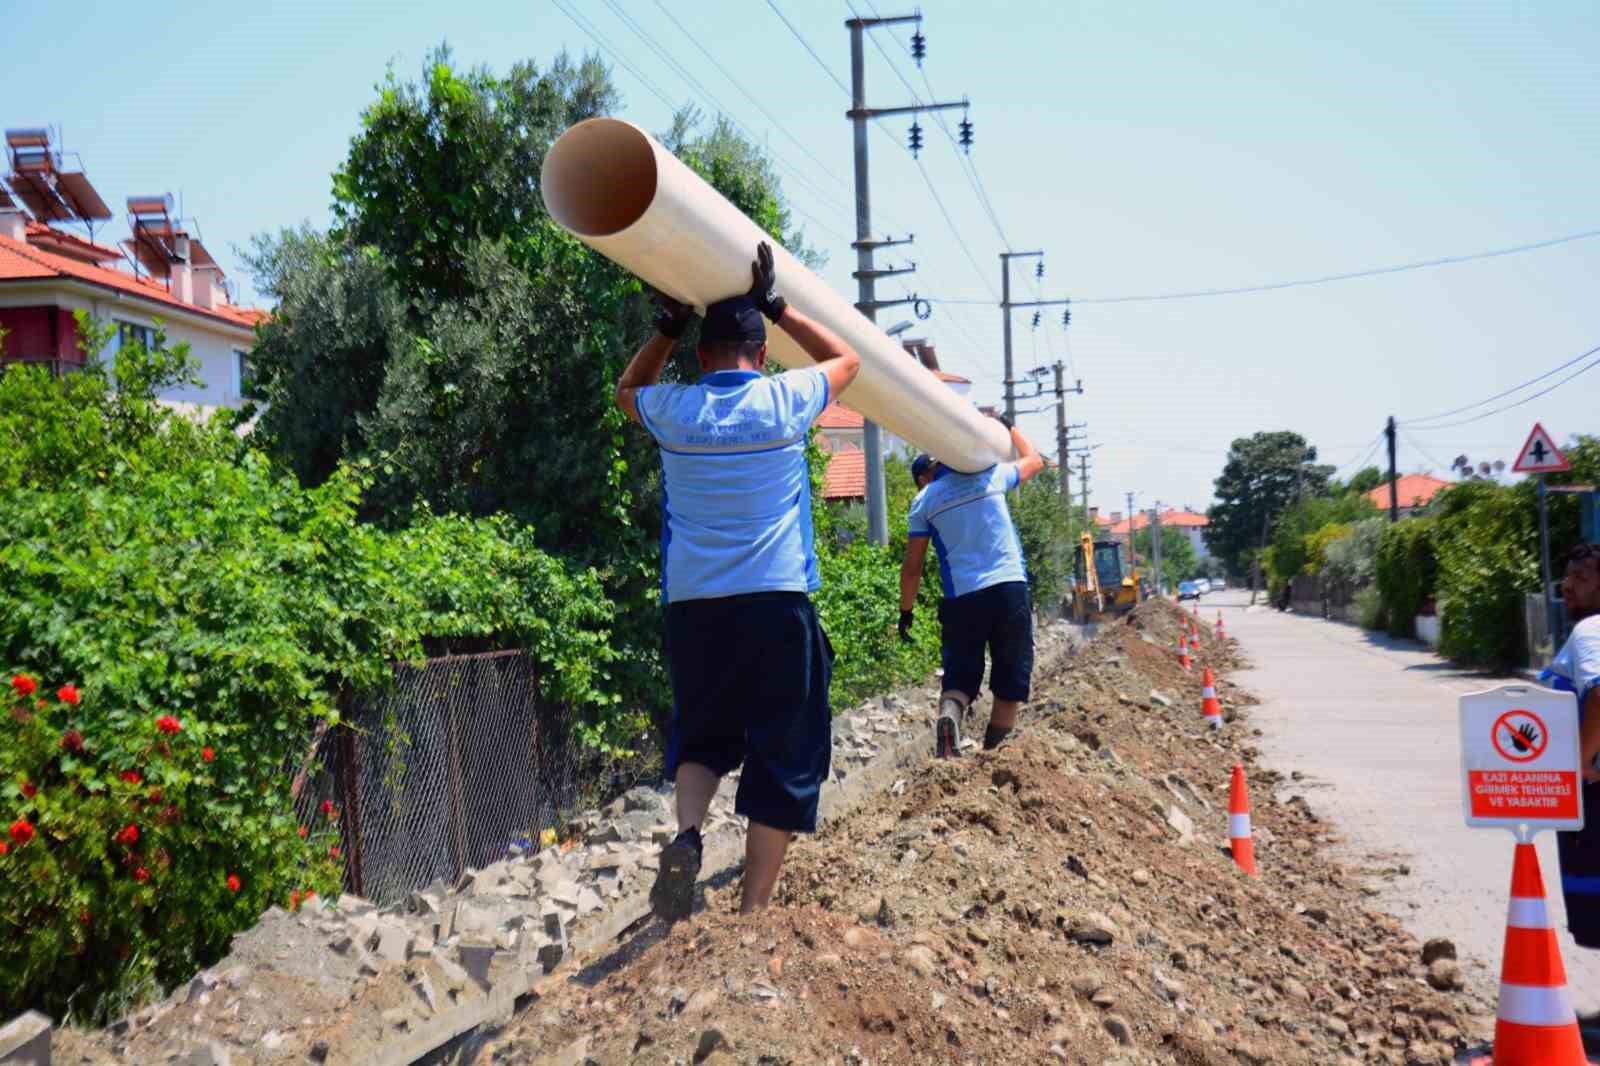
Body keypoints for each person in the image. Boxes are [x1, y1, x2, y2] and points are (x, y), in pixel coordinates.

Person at [614, 241, 861, 921]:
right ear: (760, 355)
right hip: (775, 601)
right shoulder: (784, 402)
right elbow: (848, 360)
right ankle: (752, 909)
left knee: (702, 734)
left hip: (694, 607)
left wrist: (665, 325)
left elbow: (625, 392)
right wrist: (780, 304)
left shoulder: (676, 412)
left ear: (700, 358)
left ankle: (688, 835)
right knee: (784, 749)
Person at [897, 421, 1046, 758]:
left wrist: (906, 611)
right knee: (1010, 677)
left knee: (960, 675)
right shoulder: (991, 476)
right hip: (1009, 588)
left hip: (962, 597)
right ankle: (995, 754)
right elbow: (1035, 460)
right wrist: (1009, 427)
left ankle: (950, 716)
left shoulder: (923, 503)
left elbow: (912, 568)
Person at [1541, 542, 1600, 1036]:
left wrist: (1580, 761)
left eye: (1580, 577)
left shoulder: (1591, 631)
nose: (1567, 586)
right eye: (1567, 575)